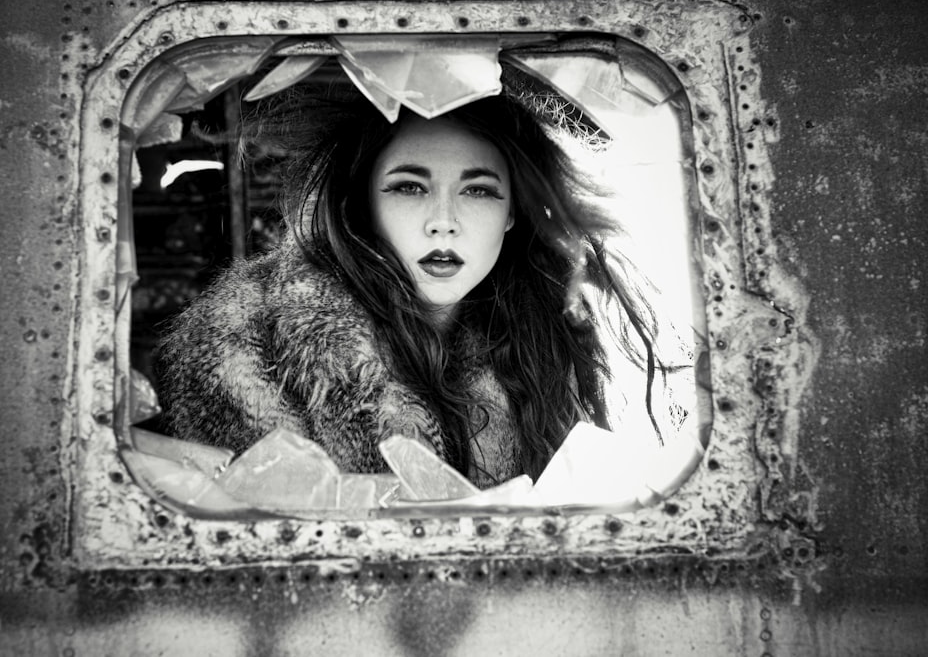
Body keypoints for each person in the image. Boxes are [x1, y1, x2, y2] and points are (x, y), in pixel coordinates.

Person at [156, 71, 687, 489]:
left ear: (512, 213)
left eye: (478, 191)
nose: (443, 220)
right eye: (409, 188)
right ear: (362, 203)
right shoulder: (246, 342)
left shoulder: (544, 346)